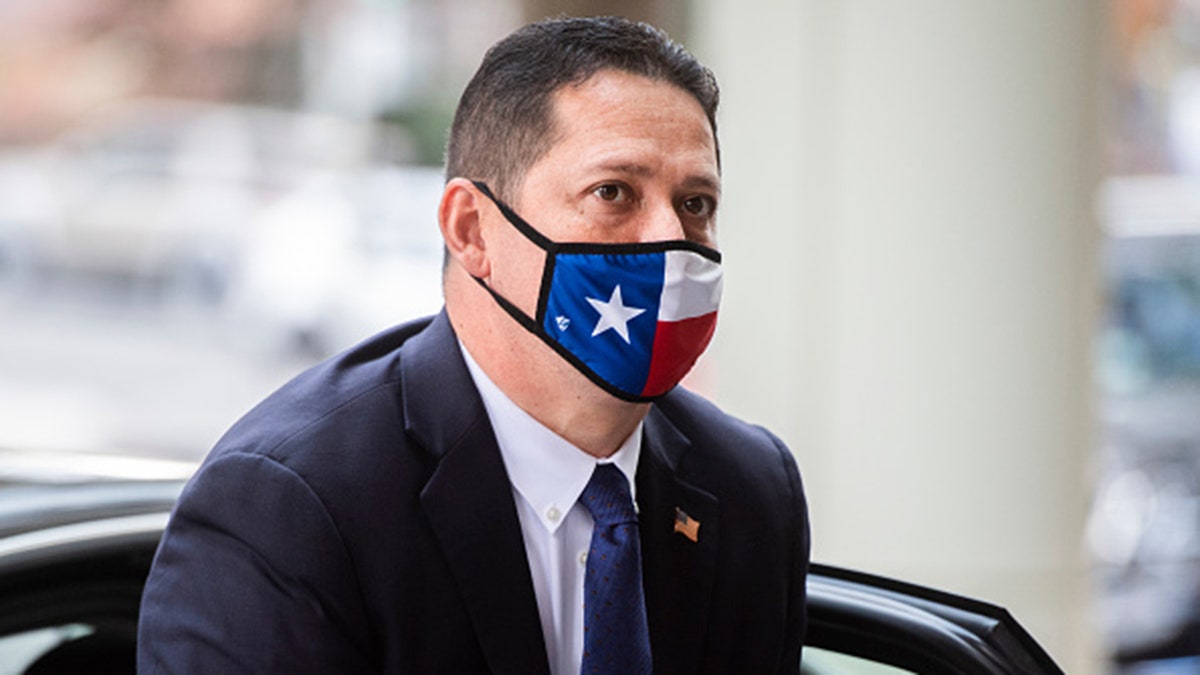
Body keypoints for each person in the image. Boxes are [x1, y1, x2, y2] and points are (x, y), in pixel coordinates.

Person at [138, 15, 810, 674]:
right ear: (473, 230)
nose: (668, 239)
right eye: (614, 193)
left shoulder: (750, 489)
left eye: (695, 203)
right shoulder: (293, 506)